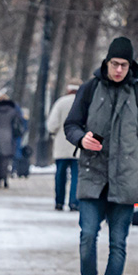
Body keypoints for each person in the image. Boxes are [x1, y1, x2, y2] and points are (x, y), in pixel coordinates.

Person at [64, 36, 138, 275]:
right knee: (88, 237)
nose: (119, 70)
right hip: (93, 175)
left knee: (118, 244)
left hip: (126, 178)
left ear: (130, 67)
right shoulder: (90, 89)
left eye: (124, 65)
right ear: (106, 62)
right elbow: (71, 125)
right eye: (115, 64)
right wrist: (82, 139)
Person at [46, 83, 80, 211]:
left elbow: (52, 124)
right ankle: (74, 202)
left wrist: (54, 134)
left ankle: (59, 201)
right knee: (76, 175)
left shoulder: (60, 103)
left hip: (61, 144)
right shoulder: (84, 103)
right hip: (78, 145)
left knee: (60, 175)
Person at [0, 92, 23, 187]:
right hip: (9, 134)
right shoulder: (13, 110)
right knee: (6, 158)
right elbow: (18, 122)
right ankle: (5, 179)